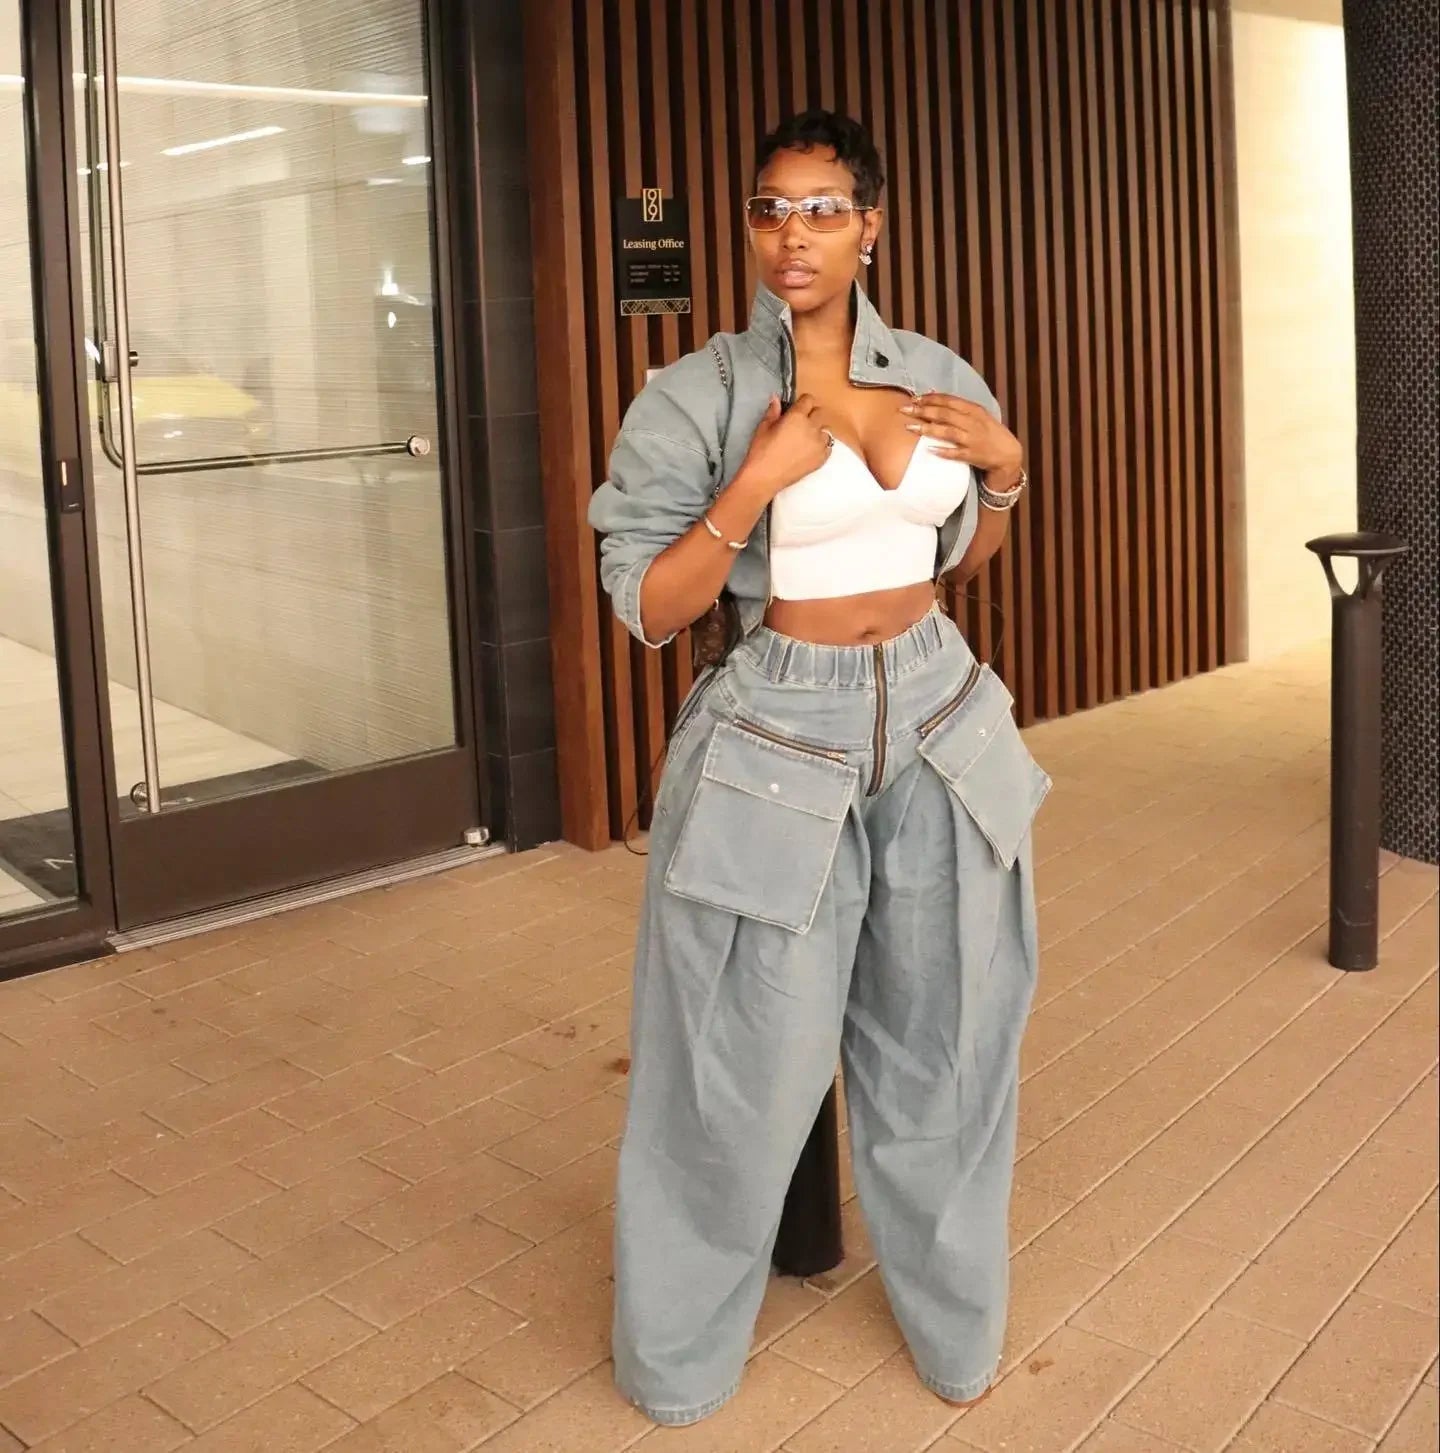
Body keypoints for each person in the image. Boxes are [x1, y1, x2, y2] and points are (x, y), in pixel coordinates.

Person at [588, 108, 1050, 1427]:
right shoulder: (693, 397)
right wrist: (752, 484)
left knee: (951, 1044)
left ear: (870, 227)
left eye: (823, 209)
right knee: (735, 1065)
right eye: (771, 209)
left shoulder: (939, 372)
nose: (793, 234)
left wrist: (1007, 476)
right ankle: (676, 1363)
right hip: (778, 734)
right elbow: (649, 606)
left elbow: (959, 555)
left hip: (941, 714)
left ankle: (956, 1332)